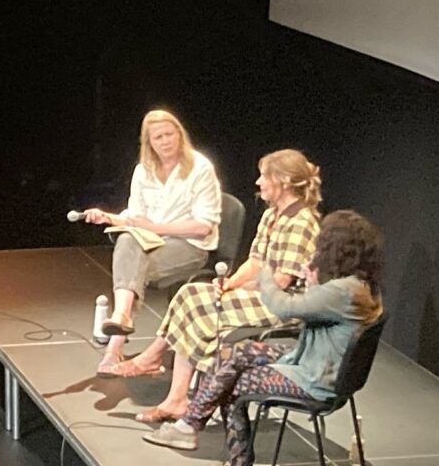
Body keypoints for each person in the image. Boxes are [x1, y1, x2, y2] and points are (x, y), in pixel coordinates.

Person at [146, 209, 386, 466]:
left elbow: (285, 308)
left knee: (233, 387)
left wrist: (266, 277)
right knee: (237, 353)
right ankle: (190, 425)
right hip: (315, 363)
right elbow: (316, 309)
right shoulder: (360, 286)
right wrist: (312, 284)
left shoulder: (343, 291)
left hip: (314, 379)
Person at [113, 149, 326, 431]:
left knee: (204, 309)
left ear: (284, 181)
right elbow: (255, 261)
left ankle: (168, 376)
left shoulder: (302, 222)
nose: (258, 182)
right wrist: (229, 285)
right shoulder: (273, 215)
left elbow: (282, 281)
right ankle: (172, 389)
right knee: (192, 293)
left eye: (264, 176)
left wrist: (242, 289)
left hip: (284, 304)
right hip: (262, 292)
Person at [78, 108, 221, 365]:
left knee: (134, 267)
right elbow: (136, 218)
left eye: (169, 134)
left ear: (180, 134)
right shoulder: (143, 171)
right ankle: (122, 317)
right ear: (149, 143)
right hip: (153, 243)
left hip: (190, 246)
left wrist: (156, 229)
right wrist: (108, 217)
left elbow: (203, 227)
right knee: (126, 239)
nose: (165, 141)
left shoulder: (200, 168)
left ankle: (115, 346)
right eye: (158, 137)